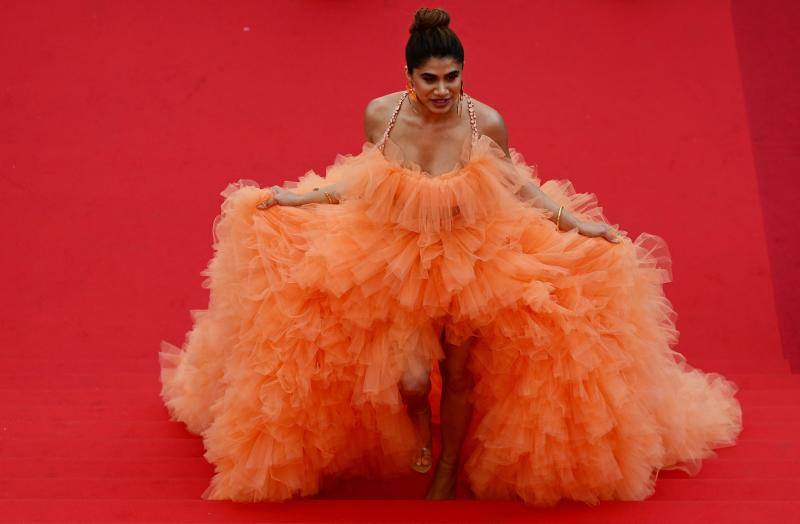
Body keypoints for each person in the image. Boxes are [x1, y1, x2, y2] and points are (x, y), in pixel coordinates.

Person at [159, 7, 742, 504]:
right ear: (408, 76)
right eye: (430, 79)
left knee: (460, 373)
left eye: (452, 78)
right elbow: (365, 181)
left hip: (475, 256)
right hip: (391, 252)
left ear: (464, 75)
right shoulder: (381, 116)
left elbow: (516, 185)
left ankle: (445, 466)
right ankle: (419, 426)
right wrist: (298, 198)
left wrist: (575, 222)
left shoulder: (484, 121)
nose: (442, 90)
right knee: (412, 378)